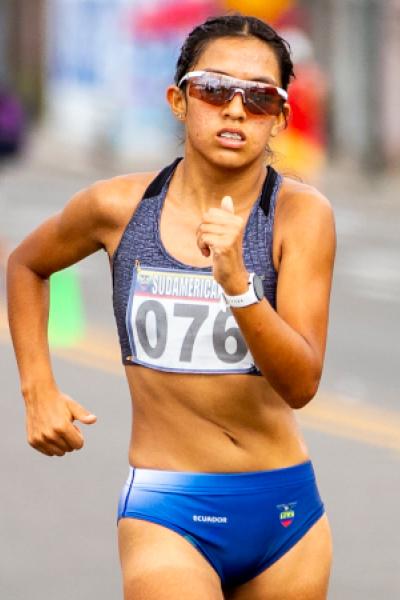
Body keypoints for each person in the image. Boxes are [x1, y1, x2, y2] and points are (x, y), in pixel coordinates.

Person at [7, 14, 336, 600]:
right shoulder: (116, 206)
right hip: (169, 510)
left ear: (280, 118)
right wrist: (38, 390)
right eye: (214, 89)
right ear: (179, 100)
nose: (235, 109)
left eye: (260, 97)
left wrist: (238, 285)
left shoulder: (300, 216)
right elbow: (27, 265)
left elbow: (302, 383)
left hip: (286, 513)